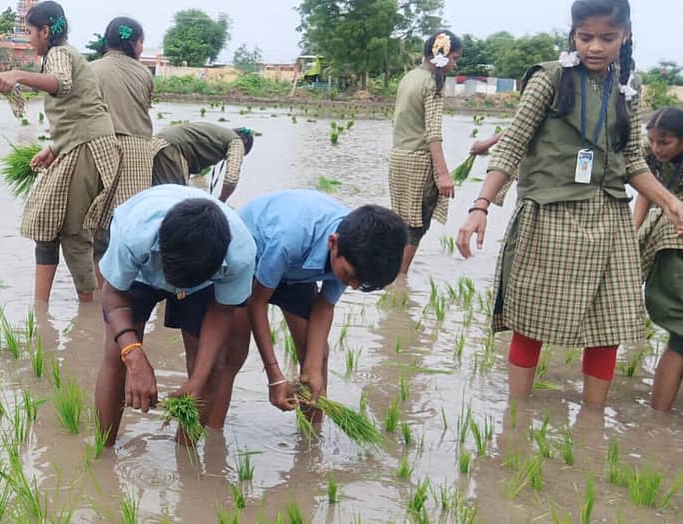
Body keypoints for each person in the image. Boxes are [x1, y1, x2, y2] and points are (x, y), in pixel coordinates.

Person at [456, 0, 683, 407]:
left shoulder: (627, 87)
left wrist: (668, 201)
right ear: (573, 34)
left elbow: (632, 160)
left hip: (609, 218)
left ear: (625, 36)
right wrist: (480, 206)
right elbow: (512, 145)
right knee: (530, 322)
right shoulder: (550, 79)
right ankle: (517, 417)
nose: (595, 47)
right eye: (585, 37)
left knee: (608, 328)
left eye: (607, 38)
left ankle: (592, 424)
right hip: (550, 215)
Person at [94, 185, 256, 446]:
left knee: (211, 369)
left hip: (203, 283)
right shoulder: (134, 232)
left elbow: (222, 310)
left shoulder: (240, 255)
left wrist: (197, 381)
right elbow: (113, 291)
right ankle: (104, 451)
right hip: (141, 273)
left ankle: (187, 456)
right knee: (116, 356)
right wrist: (133, 355)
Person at [0, 1, 120, 304]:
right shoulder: (66, 54)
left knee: (75, 233)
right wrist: (54, 148)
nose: (29, 39)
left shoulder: (58, 54)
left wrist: (17, 74)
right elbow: (78, 109)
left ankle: (91, 308)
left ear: (45, 31)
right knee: (48, 222)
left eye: (30, 32)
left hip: (88, 147)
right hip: (78, 144)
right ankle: (45, 310)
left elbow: (61, 85)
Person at [235, 190, 406, 412]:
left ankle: (312, 433)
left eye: (359, 282)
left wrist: (313, 367)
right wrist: (274, 374)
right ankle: (211, 429)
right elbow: (257, 302)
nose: (353, 286)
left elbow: (324, 306)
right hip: (252, 258)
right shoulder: (291, 237)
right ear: (333, 243)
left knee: (317, 356)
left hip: (296, 271)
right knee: (232, 354)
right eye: (350, 277)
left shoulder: (358, 253)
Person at [388, 30, 463, 274]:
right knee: (417, 225)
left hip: (399, 157)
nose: (455, 64)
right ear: (441, 55)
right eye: (454, 58)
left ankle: (393, 274)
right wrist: (443, 174)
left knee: (402, 220)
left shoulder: (410, 77)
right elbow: (433, 133)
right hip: (418, 161)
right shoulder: (433, 83)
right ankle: (400, 278)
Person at [89, 17, 154, 286]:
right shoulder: (144, 74)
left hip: (103, 150)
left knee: (99, 229)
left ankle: (101, 293)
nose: (142, 48)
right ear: (133, 43)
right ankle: (128, 287)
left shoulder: (91, 70)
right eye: (141, 42)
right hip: (140, 155)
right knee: (132, 226)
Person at [633, 107, 683, 411]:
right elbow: (645, 190)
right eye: (652, 140)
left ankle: (659, 420)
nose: (657, 148)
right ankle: (658, 420)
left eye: (665, 142)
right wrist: (632, 234)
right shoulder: (647, 153)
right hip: (668, 238)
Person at [151, 123, 255, 202]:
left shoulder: (219, 134)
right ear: (244, 142)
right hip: (171, 149)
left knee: (156, 196)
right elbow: (231, 179)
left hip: (155, 144)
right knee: (173, 199)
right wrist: (221, 202)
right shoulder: (237, 141)